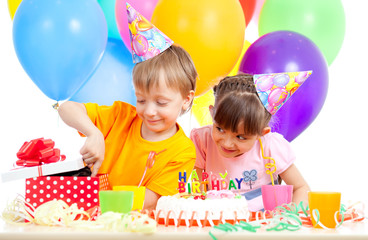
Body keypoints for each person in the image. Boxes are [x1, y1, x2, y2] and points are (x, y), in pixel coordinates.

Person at [58, 4, 198, 210]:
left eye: (161, 102)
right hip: (93, 223)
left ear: (186, 99)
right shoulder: (120, 116)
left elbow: (150, 200)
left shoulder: (183, 152)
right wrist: (93, 133)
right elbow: (65, 107)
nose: (149, 111)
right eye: (141, 100)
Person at [190, 73, 311, 212]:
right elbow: (198, 193)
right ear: (212, 114)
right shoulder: (202, 140)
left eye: (241, 137)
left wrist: (291, 213)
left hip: (263, 226)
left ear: (261, 133)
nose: (227, 143)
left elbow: (301, 188)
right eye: (220, 129)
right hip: (217, 223)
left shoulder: (270, 146)